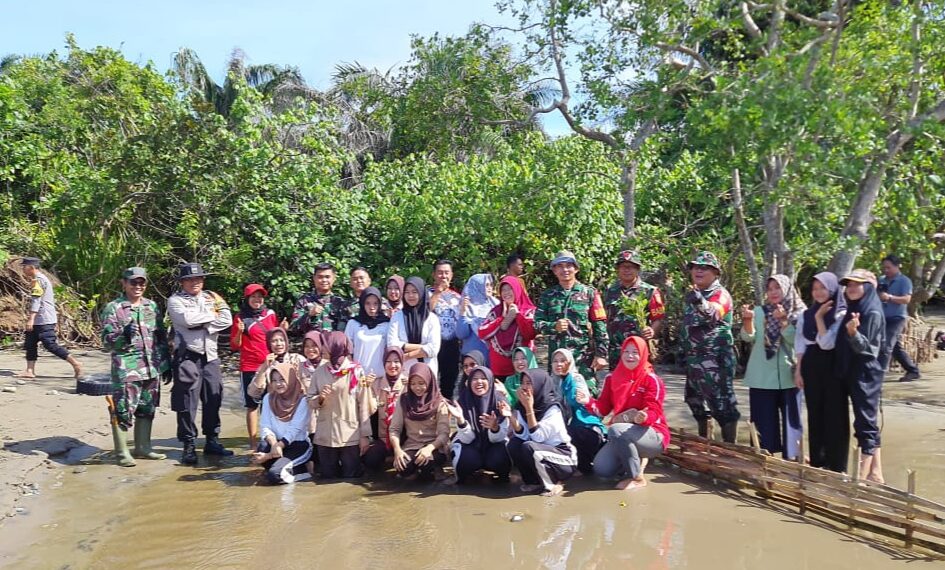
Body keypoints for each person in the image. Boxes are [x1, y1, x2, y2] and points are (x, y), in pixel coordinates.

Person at [99, 267, 171, 467]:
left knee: (147, 407)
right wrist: (124, 335)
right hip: (127, 368)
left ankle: (143, 447)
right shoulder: (114, 308)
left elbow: (160, 336)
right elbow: (106, 342)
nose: (138, 286)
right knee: (122, 408)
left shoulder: (151, 306)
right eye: (133, 282)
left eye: (142, 283)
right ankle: (122, 453)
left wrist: (166, 363)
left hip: (151, 366)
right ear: (124, 283)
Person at [579, 336, 670, 490]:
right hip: (624, 432)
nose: (629, 356)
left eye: (635, 352)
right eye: (626, 351)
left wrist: (645, 417)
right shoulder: (612, 378)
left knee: (616, 429)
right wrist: (587, 401)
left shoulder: (652, 379)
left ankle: (636, 477)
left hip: (652, 434)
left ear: (643, 355)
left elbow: (654, 410)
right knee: (602, 469)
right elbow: (602, 409)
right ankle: (633, 459)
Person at [167, 262, 234, 465]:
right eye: (189, 279)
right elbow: (186, 319)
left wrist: (202, 321)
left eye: (198, 278)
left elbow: (227, 319)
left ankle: (212, 440)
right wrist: (211, 319)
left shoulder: (212, 297)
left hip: (211, 356)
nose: (194, 282)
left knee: (214, 396)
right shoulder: (175, 300)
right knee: (187, 401)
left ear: (203, 280)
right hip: (187, 355)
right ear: (182, 282)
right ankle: (188, 444)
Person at [739, 275, 806, 460]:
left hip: (789, 375)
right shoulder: (759, 311)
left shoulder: (799, 313)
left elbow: (797, 341)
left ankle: (792, 460)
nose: (773, 292)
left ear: (787, 289)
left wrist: (784, 321)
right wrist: (747, 320)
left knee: (791, 422)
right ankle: (765, 459)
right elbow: (748, 337)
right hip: (761, 376)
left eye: (777, 287)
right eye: (770, 289)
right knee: (762, 423)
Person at [680, 251, 741, 443]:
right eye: (695, 267)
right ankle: (706, 447)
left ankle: (730, 450)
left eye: (704, 268)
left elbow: (714, 313)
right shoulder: (694, 294)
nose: (698, 271)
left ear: (715, 273)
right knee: (695, 402)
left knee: (723, 407)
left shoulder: (720, 294)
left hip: (715, 361)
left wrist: (699, 301)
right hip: (694, 360)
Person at [794, 272, 848, 473]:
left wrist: (819, 318)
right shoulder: (805, 315)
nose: (818, 292)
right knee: (815, 413)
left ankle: (837, 465)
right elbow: (800, 344)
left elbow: (826, 344)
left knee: (835, 414)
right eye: (815, 288)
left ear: (833, 289)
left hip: (832, 366)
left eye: (823, 288)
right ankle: (818, 461)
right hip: (811, 365)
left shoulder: (841, 314)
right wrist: (798, 371)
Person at [534, 251, 608, 394]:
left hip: (583, 357)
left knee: (587, 396)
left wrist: (601, 354)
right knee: (558, 396)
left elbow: (600, 326)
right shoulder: (548, 295)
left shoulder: (590, 293)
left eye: (569, 266)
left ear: (576, 269)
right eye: (560, 266)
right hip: (557, 359)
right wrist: (553, 326)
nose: (565, 270)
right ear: (554, 271)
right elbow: (537, 324)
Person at [837, 269, 886, 483]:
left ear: (867, 287)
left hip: (866, 374)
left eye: (857, 284)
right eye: (849, 285)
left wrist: (853, 333)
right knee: (867, 421)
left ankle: (860, 477)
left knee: (865, 423)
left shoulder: (872, 311)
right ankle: (876, 473)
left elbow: (868, 350)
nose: (852, 288)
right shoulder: (853, 308)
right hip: (853, 371)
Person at [503, 368, 578, 496]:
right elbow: (524, 434)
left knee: (530, 447)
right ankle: (533, 482)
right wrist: (510, 416)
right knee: (514, 444)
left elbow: (538, 437)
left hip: (564, 457)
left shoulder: (553, 408)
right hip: (542, 453)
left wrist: (529, 408)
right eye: (523, 383)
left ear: (540, 384)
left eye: (529, 383)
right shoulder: (523, 405)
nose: (525, 387)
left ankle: (551, 484)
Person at [307, 332, 372, 478]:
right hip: (325, 435)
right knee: (328, 479)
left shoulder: (355, 371)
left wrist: (365, 435)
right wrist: (320, 398)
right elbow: (310, 401)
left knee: (351, 478)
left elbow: (363, 405)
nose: (322, 348)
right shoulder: (319, 372)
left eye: (326, 345)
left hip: (350, 436)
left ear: (336, 347)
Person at [230, 283, 281, 450]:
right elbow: (235, 345)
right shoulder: (240, 317)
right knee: (252, 405)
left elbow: (277, 338)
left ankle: (271, 441)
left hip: (271, 365)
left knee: (272, 403)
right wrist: (239, 331)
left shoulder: (270, 314)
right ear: (247, 299)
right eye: (253, 297)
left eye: (260, 296)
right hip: (250, 367)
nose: (257, 300)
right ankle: (253, 445)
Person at [17, 257, 82, 379]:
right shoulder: (39, 280)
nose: (23, 269)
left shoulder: (39, 280)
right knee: (30, 343)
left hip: (43, 319)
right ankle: (29, 370)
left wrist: (31, 318)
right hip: (40, 318)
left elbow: (36, 301)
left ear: (31, 267)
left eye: (24, 267)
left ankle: (75, 363)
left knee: (49, 344)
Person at [251, 362, 313, 484]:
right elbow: (265, 425)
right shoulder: (268, 398)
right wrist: (274, 444)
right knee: (262, 447)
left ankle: (304, 474)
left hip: (298, 445)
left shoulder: (302, 400)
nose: (278, 384)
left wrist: (270, 454)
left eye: (282, 379)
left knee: (275, 476)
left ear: (290, 379)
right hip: (276, 444)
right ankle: (286, 467)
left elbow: (294, 430)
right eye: (274, 380)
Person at [447, 366, 511, 484]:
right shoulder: (463, 401)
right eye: (475, 379)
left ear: (490, 381)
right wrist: (461, 420)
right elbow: (466, 439)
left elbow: (501, 437)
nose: (479, 382)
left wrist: (494, 427)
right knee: (467, 459)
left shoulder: (501, 402)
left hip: (493, 445)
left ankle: (503, 478)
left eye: (483, 378)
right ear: (469, 381)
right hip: (470, 445)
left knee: (500, 457)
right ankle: (463, 478)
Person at [604, 250, 666, 369]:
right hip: (616, 350)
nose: (627, 270)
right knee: (617, 384)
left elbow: (658, 318)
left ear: (637, 269)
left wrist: (652, 330)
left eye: (631, 267)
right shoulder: (610, 291)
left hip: (639, 348)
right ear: (618, 269)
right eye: (623, 267)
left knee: (640, 384)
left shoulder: (651, 291)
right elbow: (606, 318)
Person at [389, 362, 450, 480]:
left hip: (434, 447)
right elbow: (394, 429)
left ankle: (435, 469)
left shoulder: (439, 402)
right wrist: (397, 450)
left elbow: (444, 434)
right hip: (412, 445)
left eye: (421, 383)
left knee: (427, 464)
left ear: (429, 381)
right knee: (403, 467)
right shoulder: (404, 400)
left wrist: (429, 448)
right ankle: (415, 471)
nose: (417, 387)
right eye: (413, 384)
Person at [550, 348, 605, 474]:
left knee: (570, 433)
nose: (559, 364)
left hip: (587, 427)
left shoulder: (576, 378)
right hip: (571, 429)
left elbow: (574, 401)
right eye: (555, 361)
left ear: (570, 362)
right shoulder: (552, 381)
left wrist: (567, 378)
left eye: (563, 361)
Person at [478, 276, 536, 380]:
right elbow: (482, 333)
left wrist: (517, 315)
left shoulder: (528, 311)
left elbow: (530, 333)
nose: (506, 292)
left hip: (522, 366)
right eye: (503, 290)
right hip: (499, 368)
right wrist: (502, 319)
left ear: (517, 290)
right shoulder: (496, 311)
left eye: (510, 289)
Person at [361, 346, 407, 471]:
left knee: (407, 466)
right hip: (383, 437)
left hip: (404, 437)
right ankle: (388, 457)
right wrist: (367, 388)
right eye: (388, 361)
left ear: (402, 363)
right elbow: (368, 411)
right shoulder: (376, 383)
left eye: (397, 361)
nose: (393, 365)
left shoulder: (408, 383)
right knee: (370, 460)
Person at [878, 254, 921, 382]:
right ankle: (913, 370)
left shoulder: (904, 281)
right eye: (884, 268)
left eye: (889, 268)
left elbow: (907, 299)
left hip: (897, 318)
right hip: (882, 317)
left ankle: (879, 374)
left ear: (897, 267)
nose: (886, 270)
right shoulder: (881, 280)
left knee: (885, 345)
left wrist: (889, 298)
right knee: (895, 347)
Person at [387, 277, 441, 376]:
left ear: (421, 293)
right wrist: (424, 347)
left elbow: (433, 349)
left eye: (414, 292)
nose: (410, 295)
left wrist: (407, 355)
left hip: (427, 371)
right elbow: (392, 344)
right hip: (404, 372)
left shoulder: (432, 318)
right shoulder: (397, 317)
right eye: (407, 292)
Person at [429, 260, 463, 398]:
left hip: (452, 345)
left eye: (446, 272)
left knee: (449, 384)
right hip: (432, 343)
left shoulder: (458, 297)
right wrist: (438, 292)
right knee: (429, 381)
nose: (443, 276)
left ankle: (445, 415)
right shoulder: (426, 293)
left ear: (452, 275)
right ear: (434, 275)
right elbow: (426, 311)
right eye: (440, 272)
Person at [289, 262, 350, 334]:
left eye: (327, 277)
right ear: (314, 278)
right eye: (320, 277)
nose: (324, 280)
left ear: (334, 278)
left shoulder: (341, 303)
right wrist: (309, 315)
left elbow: (347, 330)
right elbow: (293, 328)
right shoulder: (304, 300)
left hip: (333, 343)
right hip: (311, 344)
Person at [344, 287, 390, 377]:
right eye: (368, 303)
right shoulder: (353, 323)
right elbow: (347, 351)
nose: (372, 307)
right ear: (362, 304)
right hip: (358, 378)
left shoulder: (387, 324)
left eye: (375, 303)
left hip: (381, 377)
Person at [456, 274, 497, 365]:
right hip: (472, 360)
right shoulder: (467, 305)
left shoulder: (496, 305)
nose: (490, 288)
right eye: (486, 285)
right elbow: (461, 334)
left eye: (491, 285)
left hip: (491, 357)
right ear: (477, 286)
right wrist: (463, 311)